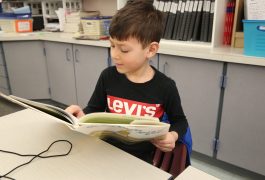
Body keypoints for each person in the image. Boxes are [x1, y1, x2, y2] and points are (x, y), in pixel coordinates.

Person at [65, 0, 188, 164]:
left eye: (123, 49)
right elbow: (94, 109)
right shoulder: (108, 77)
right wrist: (82, 116)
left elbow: (180, 121)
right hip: (104, 152)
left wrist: (172, 136)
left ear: (150, 50)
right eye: (112, 45)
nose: (114, 55)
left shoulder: (165, 86)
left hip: (142, 160)